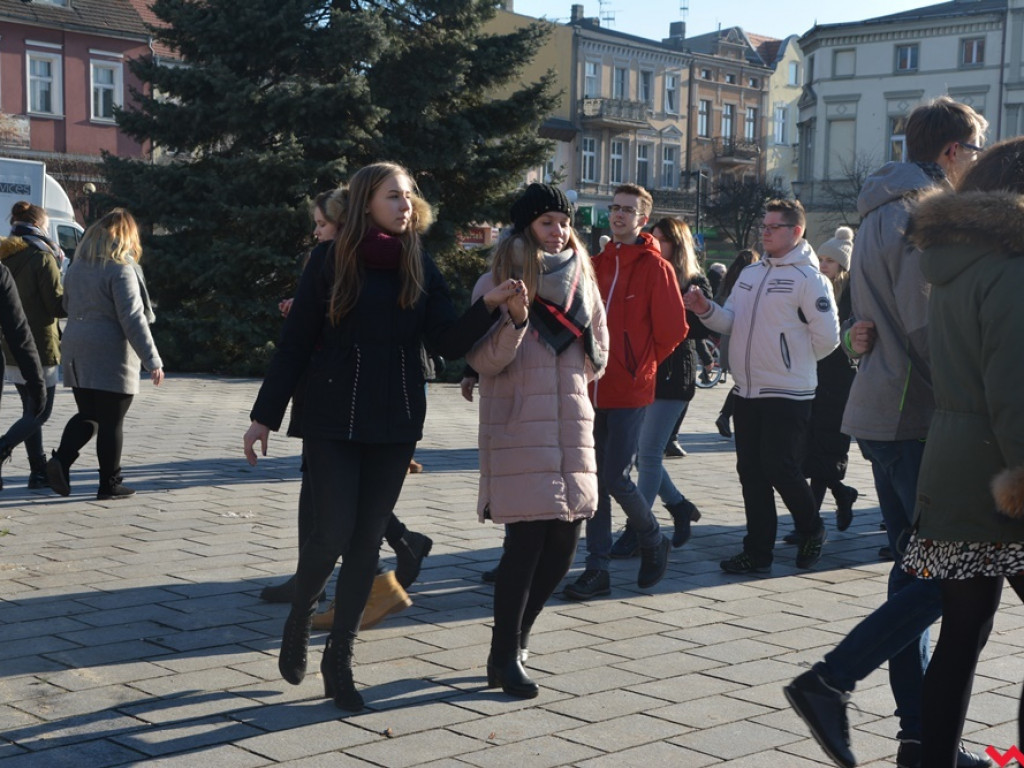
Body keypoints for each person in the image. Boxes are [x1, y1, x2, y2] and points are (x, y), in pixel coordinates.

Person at [243, 162, 524, 712]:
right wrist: (264, 417)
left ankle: (340, 658)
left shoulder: (418, 261)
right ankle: (300, 615)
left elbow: (446, 342)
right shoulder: (329, 258)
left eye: (409, 195)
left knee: (367, 541)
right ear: (366, 202)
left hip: (395, 420)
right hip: (331, 416)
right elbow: (295, 340)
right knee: (330, 533)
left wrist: (488, 307)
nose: (405, 204)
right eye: (393, 195)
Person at [783, 97, 990, 768]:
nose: (977, 161)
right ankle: (831, 680)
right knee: (956, 575)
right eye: (975, 149)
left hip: (883, 408)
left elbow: (867, 320)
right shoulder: (925, 215)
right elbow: (928, 329)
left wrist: (859, 340)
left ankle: (918, 738)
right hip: (920, 416)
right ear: (953, 151)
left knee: (917, 574)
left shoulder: (876, 210)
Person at [897, 137, 1024, 767]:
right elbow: (1014, 391)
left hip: (954, 463)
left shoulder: (955, 261)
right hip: (1003, 474)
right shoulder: (1012, 269)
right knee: (965, 630)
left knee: (962, 631)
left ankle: (931, 758)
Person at [259, 190, 431, 632]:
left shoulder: (386, 261)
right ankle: (316, 583)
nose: (317, 233)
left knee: (343, 511)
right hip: (323, 402)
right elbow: (305, 337)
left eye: (322, 224)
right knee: (327, 501)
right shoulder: (327, 260)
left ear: (346, 221)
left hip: (351, 406)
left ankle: (370, 579)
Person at [466, 183, 608, 699]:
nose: (559, 231)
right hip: (518, 425)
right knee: (524, 545)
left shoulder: (582, 281)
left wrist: (583, 358)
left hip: (571, 425)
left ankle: (520, 633)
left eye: (564, 222)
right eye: (548, 222)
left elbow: (599, 357)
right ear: (526, 226)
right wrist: (519, 322)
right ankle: (503, 655)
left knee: (564, 548)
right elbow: (483, 360)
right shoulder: (496, 280)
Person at [684, 199, 839, 574]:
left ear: (796, 231)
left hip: (788, 392)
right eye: (763, 226)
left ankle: (812, 528)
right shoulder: (751, 274)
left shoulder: (809, 279)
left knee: (780, 467)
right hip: (747, 391)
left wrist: (792, 362)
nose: (765, 232)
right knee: (751, 473)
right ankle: (757, 551)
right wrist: (705, 309)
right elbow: (730, 321)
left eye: (773, 227)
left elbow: (829, 339)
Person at [562, 183, 686, 601]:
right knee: (592, 481)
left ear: (643, 219)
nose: (618, 214)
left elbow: (673, 330)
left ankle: (652, 537)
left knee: (615, 476)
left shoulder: (655, 267)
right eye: (615, 207)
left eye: (628, 210)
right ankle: (597, 568)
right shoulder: (594, 263)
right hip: (590, 387)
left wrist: (638, 363)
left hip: (630, 389)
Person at [45, 209, 164, 500]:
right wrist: (152, 359)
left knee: (90, 415)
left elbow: (67, 305)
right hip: (110, 351)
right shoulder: (120, 269)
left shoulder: (77, 267)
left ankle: (61, 460)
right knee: (112, 421)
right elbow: (133, 318)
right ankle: (109, 484)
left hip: (76, 345)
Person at [610, 217, 706, 559]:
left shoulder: (693, 280)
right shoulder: (647, 272)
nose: (655, 244)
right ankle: (678, 506)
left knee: (649, 453)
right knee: (641, 454)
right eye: (654, 237)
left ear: (677, 245)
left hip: (673, 377)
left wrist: (685, 307)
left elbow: (701, 328)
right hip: (644, 373)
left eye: (663, 239)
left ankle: (639, 529)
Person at [783, 227, 858, 542]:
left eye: (830, 260)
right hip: (810, 377)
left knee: (825, 449)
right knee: (804, 451)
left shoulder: (853, 296)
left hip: (838, 382)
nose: (823, 264)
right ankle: (841, 493)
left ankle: (809, 524)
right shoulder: (813, 288)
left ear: (843, 266)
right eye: (821, 258)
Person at [0, 202, 64, 489]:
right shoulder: (43, 256)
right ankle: (4, 447)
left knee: (30, 409)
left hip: (11, 346)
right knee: (40, 411)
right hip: (39, 344)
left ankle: (38, 471)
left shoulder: (6, 254)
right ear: (39, 225)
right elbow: (56, 305)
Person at [712, 249, 759, 439]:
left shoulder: (728, 279)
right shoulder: (752, 279)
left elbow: (717, 302)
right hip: (745, 334)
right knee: (746, 381)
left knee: (743, 380)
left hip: (728, 334)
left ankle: (727, 416)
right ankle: (727, 415)